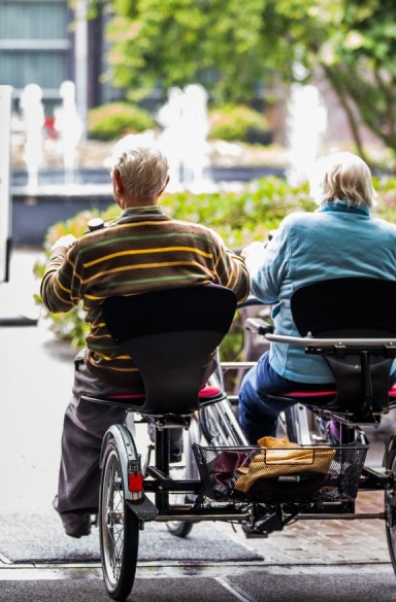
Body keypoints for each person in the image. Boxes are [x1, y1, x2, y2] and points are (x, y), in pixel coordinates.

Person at [40, 135, 250, 538]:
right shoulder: (203, 240)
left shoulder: (89, 249)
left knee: (83, 421)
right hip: (187, 376)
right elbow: (238, 287)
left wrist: (60, 253)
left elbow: (55, 299)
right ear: (165, 184)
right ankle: (175, 438)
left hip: (114, 375)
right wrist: (236, 257)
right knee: (206, 351)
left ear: (116, 183)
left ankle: (75, 509)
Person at [238, 152, 396, 444]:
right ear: (368, 189)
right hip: (373, 374)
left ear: (322, 188)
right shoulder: (393, 236)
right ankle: (339, 445)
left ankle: (264, 469)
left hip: (298, 372)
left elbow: (264, 289)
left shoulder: (295, 228)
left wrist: (255, 256)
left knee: (251, 397)